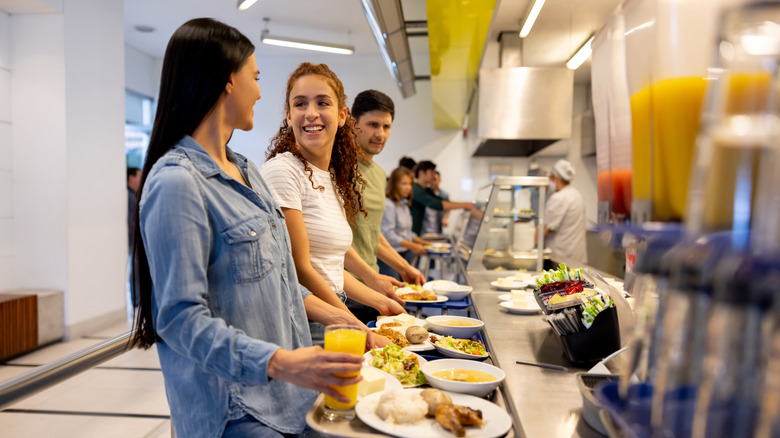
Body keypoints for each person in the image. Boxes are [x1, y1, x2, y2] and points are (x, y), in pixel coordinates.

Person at [128, 19, 365, 438]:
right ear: (227, 82)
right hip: (237, 413)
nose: (259, 91)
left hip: (289, 398)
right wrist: (281, 362)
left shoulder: (247, 172)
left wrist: (349, 324)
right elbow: (180, 320)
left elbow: (282, 280)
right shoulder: (177, 182)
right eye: (254, 78)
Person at [260, 64, 403, 345]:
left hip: (332, 314)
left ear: (341, 116)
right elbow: (300, 270)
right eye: (300, 104)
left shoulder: (330, 178)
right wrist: (354, 325)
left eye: (322, 102)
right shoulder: (283, 171)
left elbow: (330, 266)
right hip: (306, 323)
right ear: (289, 116)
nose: (311, 112)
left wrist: (378, 298)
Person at [342, 91, 424, 307]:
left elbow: (373, 235)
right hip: (344, 290)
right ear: (353, 122)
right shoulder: (338, 168)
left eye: (386, 127)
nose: (380, 134)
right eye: (372, 124)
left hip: (374, 286)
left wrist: (404, 267)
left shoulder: (379, 174)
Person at [380, 167, 432, 280]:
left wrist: (424, 242)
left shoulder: (403, 204)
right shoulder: (388, 205)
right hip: (390, 257)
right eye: (404, 183)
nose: (408, 187)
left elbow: (407, 233)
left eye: (410, 184)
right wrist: (413, 246)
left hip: (404, 254)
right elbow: (388, 235)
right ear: (394, 184)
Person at [410, 160, 474, 235]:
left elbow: (442, 201)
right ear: (421, 173)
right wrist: (466, 205)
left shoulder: (426, 190)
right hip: (414, 234)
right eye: (431, 172)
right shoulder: (416, 190)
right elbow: (438, 204)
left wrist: (466, 204)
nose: (434, 176)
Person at [543, 159, 587, 263]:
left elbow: (545, 229)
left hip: (560, 257)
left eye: (550, 178)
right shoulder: (577, 194)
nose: (549, 182)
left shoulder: (559, 197)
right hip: (576, 256)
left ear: (556, 178)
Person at [421, 170, 450, 236]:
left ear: (439, 180)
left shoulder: (444, 195)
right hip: (424, 230)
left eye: (435, 179)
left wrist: (445, 218)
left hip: (438, 229)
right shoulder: (424, 193)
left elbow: (447, 209)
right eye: (431, 179)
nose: (432, 182)